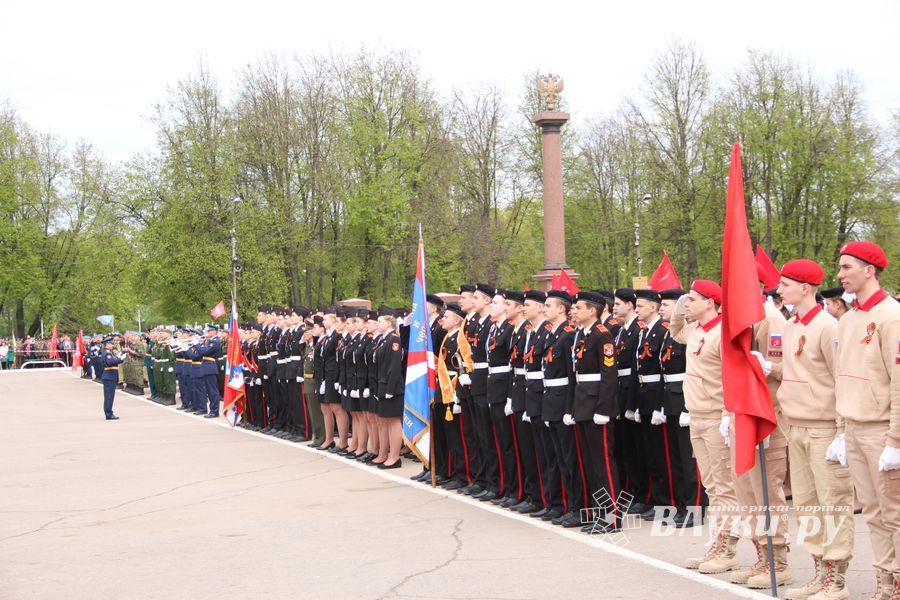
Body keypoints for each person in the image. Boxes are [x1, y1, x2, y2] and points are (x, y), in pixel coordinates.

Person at [774, 259, 855, 600]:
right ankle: (819, 571)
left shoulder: (828, 327)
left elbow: (841, 379)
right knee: (806, 504)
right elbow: (794, 370)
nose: (779, 290)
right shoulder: (791, 325)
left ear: (805, 288)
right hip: (797, 425)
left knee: (832, 503)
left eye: (785, 284)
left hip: (824, 428)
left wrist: (841, 430)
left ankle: (836, 580)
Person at [832, 241, 900, 600]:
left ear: (869, 270)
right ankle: (885, 581)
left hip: (882, 430)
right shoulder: (848, 319)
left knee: (894, 512)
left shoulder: (892, 316)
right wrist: (842, 430)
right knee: (873, 512)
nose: (840, 275)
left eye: (846, 268)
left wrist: (896, 440)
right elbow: (843, 376)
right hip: (856, 428)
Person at [669, 280, 741, 573]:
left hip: (716, 417)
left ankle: (728, 548)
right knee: (711, 485)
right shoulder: (697, 330)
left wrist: (727, 413)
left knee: (725, 488)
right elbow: (676, 333)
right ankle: (716, 543)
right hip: (697, 416)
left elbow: (731, 377)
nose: (688, 303)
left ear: (710, 302)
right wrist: (677, 312)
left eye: (693, 299)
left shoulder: (722, 334)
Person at [570, 290, 620, 534]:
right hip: (582, 403)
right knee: (589, 464)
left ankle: (611, 517)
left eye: (579, 307)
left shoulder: (603, 336)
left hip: (596, 405)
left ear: (592, 310)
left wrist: (603, 408)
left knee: (603, 465)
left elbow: (609, 376)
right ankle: (597, 514)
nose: (574, 311)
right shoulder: (582, 334)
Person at [658, 289, 704, 528]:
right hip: (671, 399)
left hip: (687, 399)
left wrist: (688, 407)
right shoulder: (672, 333)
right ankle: (682, 506)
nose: (662, 309)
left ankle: (695, 507)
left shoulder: (696, 332)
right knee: (676, 459)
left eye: (667, 304)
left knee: (690, 460)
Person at [542, 289, 581, 528]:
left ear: (561, 309)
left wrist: (569, 409)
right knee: (559, 459)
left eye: (548, 305)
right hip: (551, 401)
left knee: (569, 460)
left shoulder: (568, 336)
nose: (545, 309)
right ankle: (565, 505)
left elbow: (571, 376)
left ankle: (575, 506)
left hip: (562, 402)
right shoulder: (552, 335)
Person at [633, 289, 673, 522]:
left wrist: (660, 405)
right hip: (645, 395)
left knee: (665, 456)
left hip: (659, 395)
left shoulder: (662, 330)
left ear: (653, 307)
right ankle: (659, 501)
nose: (637, 309)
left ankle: (668, 502)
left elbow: (661, 372)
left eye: (640, 305)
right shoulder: (646, 331)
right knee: (653, 456)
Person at [374, 311, 405, 469]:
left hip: (392, 387)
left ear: (389, 324)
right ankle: (384, 453)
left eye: (380, 321)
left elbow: (394, 366)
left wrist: (390, 388)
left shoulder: (394, 339)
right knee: (385, 421)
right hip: (383, 385)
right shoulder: (383, 339)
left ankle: (394, 457)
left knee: (393, 421)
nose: (377, 324)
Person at [100, 336, 125, 420]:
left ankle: (109, 412)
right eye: (111, 343)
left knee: (110, 396)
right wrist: (121, 359)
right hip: (109, 376)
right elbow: (110, 362)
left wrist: (121, 355)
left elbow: (114, 359)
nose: (113, 345)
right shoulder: (106, 353)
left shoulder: (109, 352)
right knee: (109, 396)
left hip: (110, 376)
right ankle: (109, 413)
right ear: (107, 344)